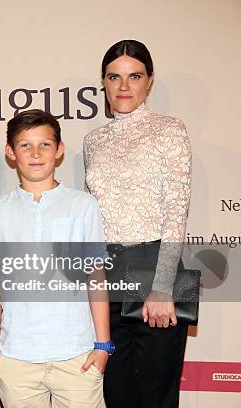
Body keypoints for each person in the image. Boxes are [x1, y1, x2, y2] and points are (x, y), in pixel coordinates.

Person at [83, 39, 192, 408]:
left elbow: (177, 209)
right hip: (107, 278)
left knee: (154, 396)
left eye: (134, 76)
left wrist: (162, 287)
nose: (124, 86)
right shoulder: (92, 140)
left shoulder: (169, 129)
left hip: (155, 274)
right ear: (104, 82)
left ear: (150, 81)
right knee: (114, 394)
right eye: (114, 77)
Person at [0, 109, 112, 407]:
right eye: (25, 145)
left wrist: (103, 345)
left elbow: (96, 276)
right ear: (10, 152)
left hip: (78, 356)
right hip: (17, 359)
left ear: (59, 150)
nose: (36, 153)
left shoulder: (83, 205)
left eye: (45, 144)